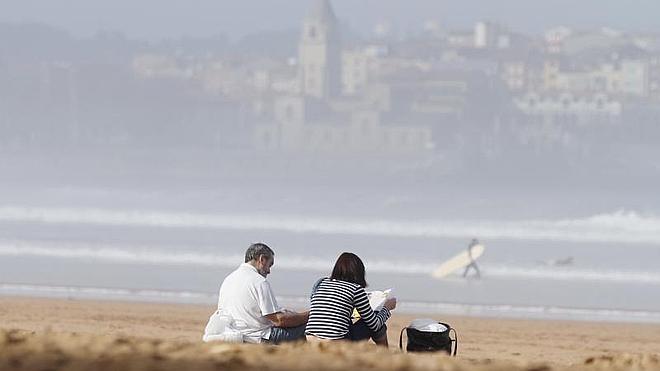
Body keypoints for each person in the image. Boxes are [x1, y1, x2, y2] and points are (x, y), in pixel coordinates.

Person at [213, 242, 309, 344]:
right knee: (311, 326)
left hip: (233, 333)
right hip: (258, 336)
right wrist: (310, 315)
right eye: (269, 265)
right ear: (262, 259)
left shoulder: (229, 279)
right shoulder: (259, 281)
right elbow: (279, 320)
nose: (269, 271)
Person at [305, 252, 396, 346]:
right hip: (336, 341)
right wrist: (387, 308)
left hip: (310, 339)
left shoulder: (321, 283)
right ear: (359, 272)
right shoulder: (356, 289)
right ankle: (385, 356)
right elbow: (375, 325)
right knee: (378, 323)